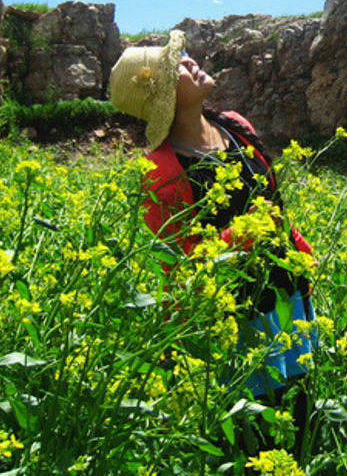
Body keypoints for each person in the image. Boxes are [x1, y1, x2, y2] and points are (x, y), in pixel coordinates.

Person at [108, 29, 316, 457]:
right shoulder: (160, 170)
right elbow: (180, 262)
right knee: (250, 429)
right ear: (159, 92)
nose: (189, 62)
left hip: (285, 290)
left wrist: (297, 247)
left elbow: (271, 200)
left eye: (184, 55)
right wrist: (246, 233)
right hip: (232, 314)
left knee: (298, 409)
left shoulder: (236, 125)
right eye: (175, 66)